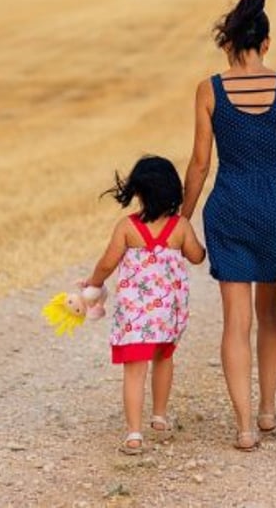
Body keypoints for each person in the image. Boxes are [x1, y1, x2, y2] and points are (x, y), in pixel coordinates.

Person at [180, 0, 276, 451]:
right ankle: (267, 411)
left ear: (229, 44)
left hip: (229, 206)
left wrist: (182, 220)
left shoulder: (209, 90)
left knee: (235, 322)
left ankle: (244, 428)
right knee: (269, 314)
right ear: (265, 43)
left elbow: (200, 164)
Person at [84, 155, 207, 455]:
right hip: (167, 315)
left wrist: (93, 284)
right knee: (164, 360)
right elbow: (196, 257)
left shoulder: (127, 227)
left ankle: (134, 434)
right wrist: (201, 248)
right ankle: (160, 417)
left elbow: (107, 262)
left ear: (137, 192)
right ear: (174, 190)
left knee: (134, 371)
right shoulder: (180, 227)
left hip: (135, 317)